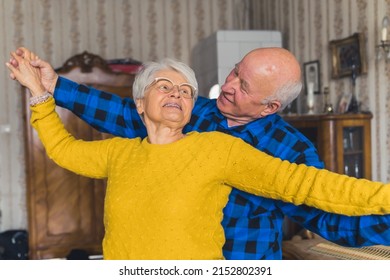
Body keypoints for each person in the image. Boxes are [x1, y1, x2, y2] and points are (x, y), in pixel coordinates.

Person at [9, 47, 390, 260]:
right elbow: (93, 131)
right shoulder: (165, 130)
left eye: (244, 86)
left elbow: (325, 206)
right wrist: (52, 87)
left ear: (270, 106)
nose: (227, 85)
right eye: (234, 71)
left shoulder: (287, 149)